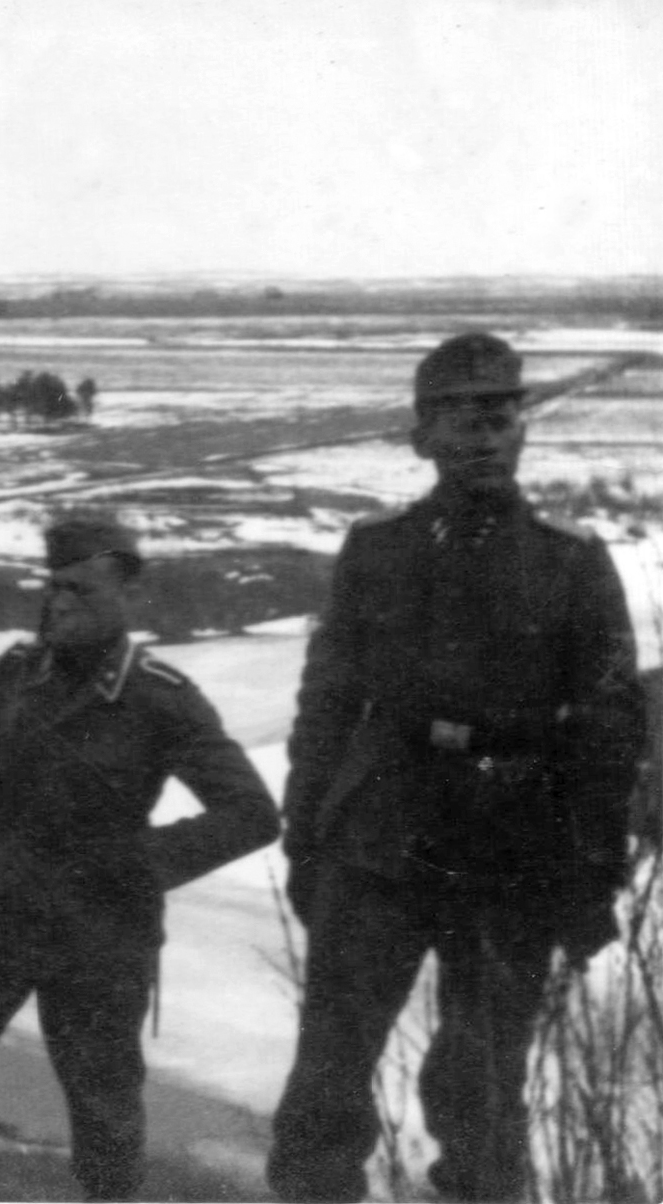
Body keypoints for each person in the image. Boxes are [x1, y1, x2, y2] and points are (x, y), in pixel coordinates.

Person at [266, 332, 645, 1203]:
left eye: (499, 419)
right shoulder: (377, 551)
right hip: (381, 836)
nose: (482, 438)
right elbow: (326, 706)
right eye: (459, 421)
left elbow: (609, 727)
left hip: (512, 849)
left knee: (482, 1092)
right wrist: (306, 836)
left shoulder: (572, 560)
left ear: (522, 433)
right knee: (328, 1078)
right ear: (422, 438)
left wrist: (592, 869)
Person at [0, 514, 280, 1202]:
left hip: (101, 929)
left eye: (80, 590)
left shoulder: (161, 697)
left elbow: (252, 813)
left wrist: (138, 863)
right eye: (54, 588)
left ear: (127, 596)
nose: (60, 603)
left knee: (103, 1105)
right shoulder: (16, 675)